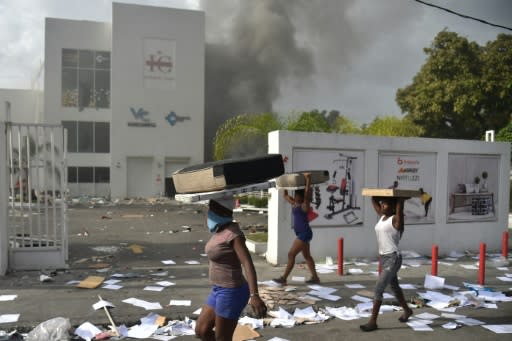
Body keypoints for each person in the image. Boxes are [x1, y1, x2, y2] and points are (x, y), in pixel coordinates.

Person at [195, 198, 267, 341]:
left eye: (212, 209)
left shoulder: (233, 234)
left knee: (222, 338)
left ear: (222, 212)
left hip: (232, 292)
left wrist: (254, 295)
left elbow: (247, 263)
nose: (209, 213)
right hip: (217, 289)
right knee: (201, 331)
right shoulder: (219, 230)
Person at [360, 196, 413, 332]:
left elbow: (399, 215)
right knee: (395, 287)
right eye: (382, 204)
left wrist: (401, 201)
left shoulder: (395, 219)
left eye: (386, 204)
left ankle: (373, 322)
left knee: (379, 288)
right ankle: (407, 310)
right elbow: (374, 200)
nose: (382, 206)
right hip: (383, 258)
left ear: (393, 206)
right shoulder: (382, 217)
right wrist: (376, 195)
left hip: (393, 258)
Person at [273, 172, 320, 285]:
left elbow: (308, 194)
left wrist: (308, 179)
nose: (296, 196)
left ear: (302, 197)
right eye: (296, 195)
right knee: (307, 256)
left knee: (291, 254)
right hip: (302, 233)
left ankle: (283, 278)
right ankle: (315, 278)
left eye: (298, 195)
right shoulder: (294, 204)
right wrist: (284, 184)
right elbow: (285, 196)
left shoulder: (304, 205)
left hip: (304, 233)